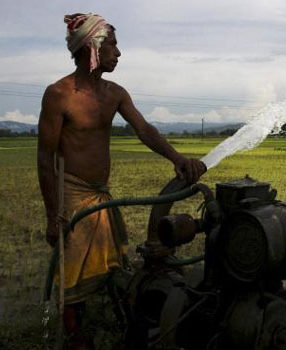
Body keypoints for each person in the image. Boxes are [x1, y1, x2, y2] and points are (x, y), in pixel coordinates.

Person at [36, 13, 206, 347]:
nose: (118, 52)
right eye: (112, 44)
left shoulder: (115, 93)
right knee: (71, 272)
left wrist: (178, 159)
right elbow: (44, 159)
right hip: (70, 192)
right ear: (93, 47)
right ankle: (75, 334)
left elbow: (144, 130)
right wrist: (52, 215)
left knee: (108, 263)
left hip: (101, 195)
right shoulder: (59, 94)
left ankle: (109, 318)